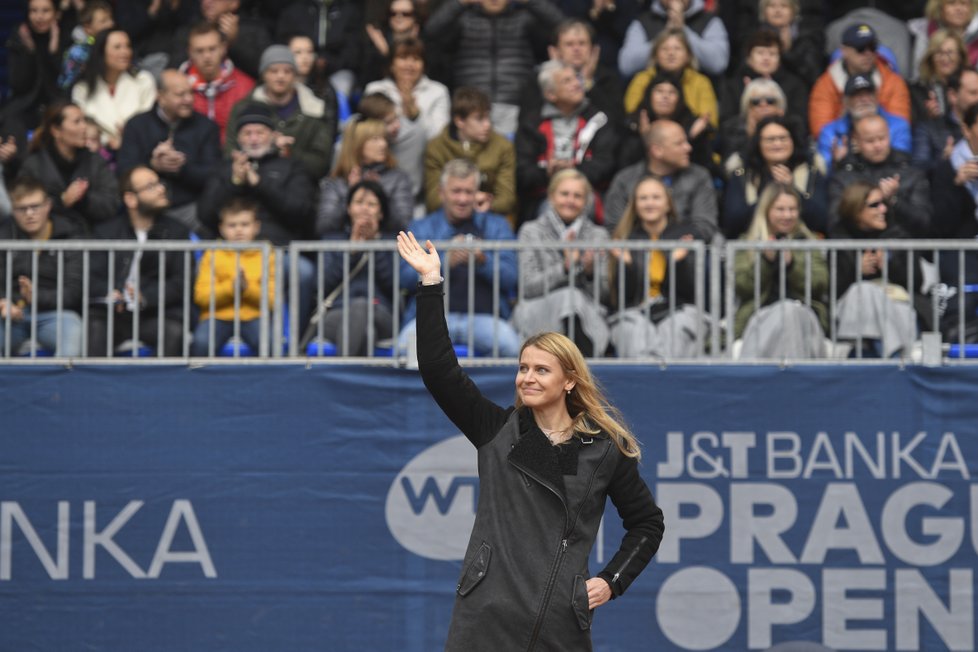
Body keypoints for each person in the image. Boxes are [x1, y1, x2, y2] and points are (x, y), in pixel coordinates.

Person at [394, 228, 664, 651]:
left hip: (559, 626)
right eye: (523, 368)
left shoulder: (604, 449)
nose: (527, 378)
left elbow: (647, 524)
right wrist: (431, 283)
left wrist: (611, 581)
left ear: (569, 382)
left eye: (542, 370)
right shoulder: (497, 428)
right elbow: (438, 369)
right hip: (486, 617)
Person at [197, 103, 316, 326]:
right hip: (229, 253)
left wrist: (259, 183)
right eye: (247, 133)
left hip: (279, 251)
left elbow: (301, 212)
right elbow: (205, 215)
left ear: (273, 135)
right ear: (238, 139)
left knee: (303, 272)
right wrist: (234, 183)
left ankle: (292, 344)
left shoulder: (291, 167)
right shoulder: (224, 169)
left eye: (260, 132)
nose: (253, 139)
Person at [398, 158, 521, 357]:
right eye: (456, 191)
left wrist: (483, 261)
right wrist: (445, 263)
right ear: (441, 193)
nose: (463, 199)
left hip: (485, 318)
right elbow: (403, 278)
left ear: (477, 193)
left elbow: (511, 278)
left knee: (512, 349)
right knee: (404, 349)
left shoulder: (497, 226)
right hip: (431, 318)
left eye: (469, 192)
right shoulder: (421, 228)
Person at [88, 165, 190, 357]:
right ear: (130, 199)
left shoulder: (177, 232)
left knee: (173, 333)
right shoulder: (106, 232)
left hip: (154, 313)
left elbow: (180, 282)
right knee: (94, 330)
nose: (161, 189)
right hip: (113, 315)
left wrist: (145, 297)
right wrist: (113, 292)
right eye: (151, 186)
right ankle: (97, 387)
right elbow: (92, 277)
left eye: (159, 183)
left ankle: (163, 387)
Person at [423, 0, 565, 137]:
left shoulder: (524, 18)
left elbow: (563, 27)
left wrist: (530, 1)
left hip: (516, 106)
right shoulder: (464, 19)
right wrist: (460, 2)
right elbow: (431, 31)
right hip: (472, 106)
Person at [513, 169, 611, 357]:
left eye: (577, 196)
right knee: (569, 297)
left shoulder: (599, 235)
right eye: (564, 194)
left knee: (573, 298)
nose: (570, 200)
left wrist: (590, 274)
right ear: (551, 197)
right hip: (539, 309)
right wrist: (565, 268)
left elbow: (606, 296)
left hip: (587, 314)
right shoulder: (531, 231)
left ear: (587, 202)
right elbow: (528, 287)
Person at [606, 175, 706, 358]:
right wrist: (626, 265)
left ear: (668, 204)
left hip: (677, 309)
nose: (649, 203)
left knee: (675, 330)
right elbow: (621, 299)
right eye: (643, 198)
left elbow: (691, 293)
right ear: (635, 205)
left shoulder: (687, 235)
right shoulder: (626, 238)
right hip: (636, 311)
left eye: (656, 197)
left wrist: (677, 263)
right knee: (634, 331)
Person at [116, 69, 222, 235]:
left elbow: (214, 174)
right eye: (180, 95)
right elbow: (124, 170)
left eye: (190, 93)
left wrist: (181, 168)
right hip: (147, 207)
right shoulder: (137, 125)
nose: (188, 100)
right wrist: (153, 165)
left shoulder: (206, 127)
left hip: (191, 209)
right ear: (161, 96)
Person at [515, 59, 619, 222]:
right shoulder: (531, 123)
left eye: (577, 78)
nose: (577, 84)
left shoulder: (598, 119)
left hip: (587, 193)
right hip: (544, 196)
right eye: (567, 81)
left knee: (576, 204)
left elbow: (606, 164)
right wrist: (548, 172)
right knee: (551, 209)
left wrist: (573, 169)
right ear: (550, 94)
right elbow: (523, 172)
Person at [734, 183, 828, 359]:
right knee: (785, 312)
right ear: (766, 210)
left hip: (804, 316)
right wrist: (765, 262)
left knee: (790, 311)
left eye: (793, 209)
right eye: (780, 209)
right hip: (760, 316)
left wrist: (792, 265)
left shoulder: (809, 241)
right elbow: (741, 286)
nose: (787, 215)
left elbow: (820, 283)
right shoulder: (746, 243)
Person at [829, 180, 922, 358]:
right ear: (856, 211)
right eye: (875, 205)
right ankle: (893, 360)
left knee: (866, 292)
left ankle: (863, 359)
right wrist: (856, 271)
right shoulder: (840, 241)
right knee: (862, 291)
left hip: (897, 306)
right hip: (852, 309)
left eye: (883, 204)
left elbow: (918, 283)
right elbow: (831, 291)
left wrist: (889, 265)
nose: (883, 210)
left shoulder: (898, 236)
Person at [225, 44, 338, 180]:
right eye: (273, 71)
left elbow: (321, 164)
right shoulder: (243, 109)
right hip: (249, 182)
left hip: (298, 186)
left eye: (287, 71)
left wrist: (288, 153)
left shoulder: (314, 110)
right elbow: (229, 152)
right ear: (263, 74)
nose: (280, 76)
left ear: (295, 75)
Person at [0, 177, 83, 357]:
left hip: (52, 314)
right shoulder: (4, 235)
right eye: (22, 209)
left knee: (73, 331)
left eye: (35, 206)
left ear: (48, 205)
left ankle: (62, 385)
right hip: (10, 315)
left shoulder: (68, 235)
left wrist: (36, 296)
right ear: (13, 210)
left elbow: (73, 292)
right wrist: (3, 302)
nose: (29, 214)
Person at [315, 181, 397, 356]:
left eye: (372, 204)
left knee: (360, 306)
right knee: (367, 333)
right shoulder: (332, 240)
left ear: (381, 213)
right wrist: (351, 250)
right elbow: (323, 285)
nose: (365, 209)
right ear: (348, 208)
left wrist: (375, 245)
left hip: (381, 313)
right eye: (359, 203)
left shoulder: (393, 243)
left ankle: (340, 376)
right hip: (337, 312)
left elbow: (395, 286)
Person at [363, 37, 451, 197]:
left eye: (416, 59)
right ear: (392, 63)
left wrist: (415, 114)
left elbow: (439, 140)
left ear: (423, 65)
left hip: (421, 163)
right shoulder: (375, 89)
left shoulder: (438, 92)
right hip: (383, 160)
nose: (410, 65)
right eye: (403, 58)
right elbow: (369, 133)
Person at [604, 119, 718, 238]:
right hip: (634, 253)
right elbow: (614, 227)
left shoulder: (699, 177)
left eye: (686, 142)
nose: (688, 148)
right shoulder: (625, 180)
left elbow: (705, 225)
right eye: (679, 143)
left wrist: (669, 246)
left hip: (686, 252)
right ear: (657, 151)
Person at [19, 100, 119, 233]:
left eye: (84, 120)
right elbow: (22, 202)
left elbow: (112, 202)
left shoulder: (96, 161)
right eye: (77, 122)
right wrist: (61, 201)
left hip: (89, 239)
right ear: (56, 130)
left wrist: (84, 199)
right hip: (47, 241)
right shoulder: (34, 165)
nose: (84, 127)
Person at [191, 197, 275, 356]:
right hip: (217, 316)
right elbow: (201, 297)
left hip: (254, 316)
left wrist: (246, 289)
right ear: (221, 229)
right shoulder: (212, 253)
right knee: (201, 342)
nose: (239, 230)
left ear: (256, 227)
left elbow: (271, 300)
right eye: (232, 225)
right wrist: (232, 288)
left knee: (270, 344)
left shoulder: (266, 253)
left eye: (245, 224)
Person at [724, 115, 827, 238]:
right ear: (758, 144)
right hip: (753, 249)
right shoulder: (742, 174)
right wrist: (770, 191)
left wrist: (792, 189)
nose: (777, 144)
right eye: (770, 139)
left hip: (802, 249)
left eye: (783, 138)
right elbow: (732, 222)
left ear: (793, 141)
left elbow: (822, 220)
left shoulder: (812, 171)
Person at [829, 114, 932, 236]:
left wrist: (895, 200)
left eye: (882, 138)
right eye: (870, 140)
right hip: (859, 250)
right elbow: (835, 224)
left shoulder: (910, 171)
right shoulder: (843, 176)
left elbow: (924, 222)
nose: (877, 146)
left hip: (900, 251)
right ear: (855, 140)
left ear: (889, 135)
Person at [424, 86, 517, 217]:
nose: (487, 124)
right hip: (447, 218)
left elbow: (507, 199)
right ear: (459, 121)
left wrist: (488, 203)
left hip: (489, 216)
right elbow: (433, 200)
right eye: (479, 119)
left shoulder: (502, 146)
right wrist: (470, 198)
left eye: (488, 118)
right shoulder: (437, 148)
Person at [808, 23, 911, 138]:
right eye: (860, 49)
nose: (868, 54)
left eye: (872, 47)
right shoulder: (825, 85)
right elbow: (822, 132)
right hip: (843, 147)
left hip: (883, 148)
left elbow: (900, 129)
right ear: (844, 51)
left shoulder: (893, 82)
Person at [520, 18, 626, 128]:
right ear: (555, 51)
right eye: (569, 44)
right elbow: (526, 122)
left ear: (593, 49)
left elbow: (617, 121)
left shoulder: (608, 78)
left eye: (582, 43)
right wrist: (554, 78)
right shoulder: (537, 79)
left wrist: (587, 83)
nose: (576, 49)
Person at [317, 118, 414, 236]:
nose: (383, 144)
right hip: (344, 252)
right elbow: (324, 226)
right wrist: (351, 193)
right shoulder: (337, 182)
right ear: (358, 144)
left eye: (384, 138)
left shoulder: (398, 178)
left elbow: (404, 224)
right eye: (375, 139)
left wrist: (380, 194)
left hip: (385, 250)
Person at [70, 28, 157, 153]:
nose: (125, 52)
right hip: (96, 153)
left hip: (139, 150)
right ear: (101, 52)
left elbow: (148, 123)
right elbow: (82, 127)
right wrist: (106, 140)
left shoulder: (143, 81)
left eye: (127, 46)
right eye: (117, 47)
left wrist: (128, 136)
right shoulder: (83, 88)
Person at [620, 71, 714, 173]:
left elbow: (704, 169)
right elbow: (625, 167)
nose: (665, 96)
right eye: (659, 91)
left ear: (679, 99)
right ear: (649, 96)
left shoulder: (693, 125)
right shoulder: (634, 124)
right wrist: (644, 138)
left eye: (672, 92)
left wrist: (692, 138)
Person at [816, 74, 912, 173]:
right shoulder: (829, 133)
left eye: (868, 93)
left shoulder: (898, 126)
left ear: (876, 96)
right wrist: (836, 163)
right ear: (845, 101)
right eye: (857, 95)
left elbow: (902, 165)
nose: (864, 99)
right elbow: (823, 176)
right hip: (846, 185)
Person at [622, 27, 718, 125]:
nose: (671, 53)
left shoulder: (700, 82)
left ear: (688, 55)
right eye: (664, 48)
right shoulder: (642, 79)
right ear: (655, 55)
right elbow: (631, 114)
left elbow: (708, 120)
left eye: (677, 48)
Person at [179, 21, 255, 144]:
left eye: (212, 49)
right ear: (190, 52)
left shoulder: (245, 86)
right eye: (200, 51)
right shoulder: (178, 88)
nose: (207, 56)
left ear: (223, 48)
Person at [618, 0, 730, 78]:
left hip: (698, 94)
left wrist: (683, 30)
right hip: (653, 95)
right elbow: (626, 65)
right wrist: (663, 38)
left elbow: (718, 63)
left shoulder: (709, 21)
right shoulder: (643, 21)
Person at [718, 29, 809, 126]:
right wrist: (748, 118)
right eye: (760, 53)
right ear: (749, 58)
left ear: (780, 59)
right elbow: (725, 125)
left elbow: (800, 122)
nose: (766, 58)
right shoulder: (733, 86)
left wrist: (779, 115)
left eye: (772, 53)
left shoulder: (794, 85)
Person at [275, 0, 363, 98]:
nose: (305, 57)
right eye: (299, 52)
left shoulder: (349, 11)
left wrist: (328, 62)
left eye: (309, 52)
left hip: (337, 69)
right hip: (299, 72)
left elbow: (353, 51)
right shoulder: (295, 11)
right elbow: (282, 47)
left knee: (341, 87)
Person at [4, 0, 68, 131]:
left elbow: (65, 81)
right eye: (34, 11)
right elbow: (18, 84)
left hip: (58, 103)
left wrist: (53, 51)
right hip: (25, 104)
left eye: (45, 11)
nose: (39, 17)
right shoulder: (19, 37)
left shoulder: (66, 36)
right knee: (8, 118)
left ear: (56, 14)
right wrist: (29, 51)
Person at [170, 0, 273, 80]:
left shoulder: (254, 29)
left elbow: (265, 71)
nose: (207, 2)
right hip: (196, 95)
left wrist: (235, 42)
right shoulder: (188, 31)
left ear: (234, 3)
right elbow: (174, 70)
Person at [716, 78, 787, 176]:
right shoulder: (732, 129)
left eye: (770, 101)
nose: (763, 105)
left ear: (779, 105)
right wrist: (751, 136)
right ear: (748, 106)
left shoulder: (790, 127)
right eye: (756, 102)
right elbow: (730, 172)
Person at [913, 65, 978, 171]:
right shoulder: (928, 130)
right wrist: (944, 162)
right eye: (973, 93)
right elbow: (918, 172)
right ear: (953, 95)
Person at [754, 0, 825, 87]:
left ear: (794, 11)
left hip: (796, 92)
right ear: (763, 11)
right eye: (772, 6)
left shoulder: (808, 38)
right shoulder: (753, 38)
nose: (777, 10)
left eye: (784, 6)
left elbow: (813, 76)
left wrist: (787, 52)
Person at [908, 29, 967, 125]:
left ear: (960, 57)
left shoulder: (971, 86)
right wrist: (929, 118)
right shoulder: (917, 90)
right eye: (939, 53)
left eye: (950, 52)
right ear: (931, 58)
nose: (944, 58)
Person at [908, 0, 978, 76]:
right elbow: (918, 73)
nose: (959, 9)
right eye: (951, 3)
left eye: (964, 3)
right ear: (939, 7)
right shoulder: (926, 32)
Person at [362, 0, 422, 86]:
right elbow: (367, 78)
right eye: (393, 13)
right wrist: (384, 53)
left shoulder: (425, 42)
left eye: (405, 14)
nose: (398, 17)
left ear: (414, 17)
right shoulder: (377, 43)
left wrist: (388, 53)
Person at [57, 0, 114, 90]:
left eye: (111, 19)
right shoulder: (77, 52)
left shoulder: (116, 45)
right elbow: (65, 85)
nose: (111, 24)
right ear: (88, 28)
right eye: (104, 21)